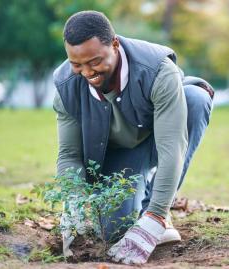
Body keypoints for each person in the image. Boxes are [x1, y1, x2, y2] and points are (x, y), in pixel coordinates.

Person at [53, 10, 213, 264]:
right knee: (115, 230)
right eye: (76, 64)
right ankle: (133, 210)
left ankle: (155, 208)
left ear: (115, 44)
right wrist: (74, 203)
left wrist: (155, 217)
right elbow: (69, 155)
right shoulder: (66, 87)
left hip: (158, 136)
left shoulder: (158, 70)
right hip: (117, 154)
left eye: (94, 61)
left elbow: (172, 146)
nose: (86, 72)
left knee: (195, 99)